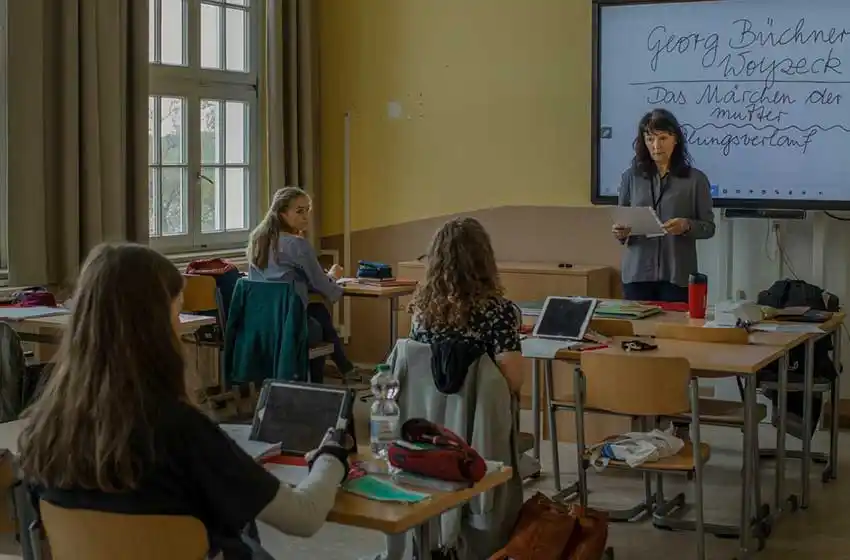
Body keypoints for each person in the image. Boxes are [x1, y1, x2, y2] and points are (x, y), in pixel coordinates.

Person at [18, 243, 350, 560]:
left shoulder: (43, 431)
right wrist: (331, 457)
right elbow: (303, 518)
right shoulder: (182, 432)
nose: (179, 329)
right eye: (176, 312)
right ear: (155, 327)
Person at [248, 186, 356, 383]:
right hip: (290, 326)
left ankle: (341, 368)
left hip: (262, 323)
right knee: (319, 323)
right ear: (282, 213)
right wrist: (332, 275)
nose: (306, 217)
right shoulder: (297, 245)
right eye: (299, 211)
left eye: (308, 210)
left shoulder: (258, 240)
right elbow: (322, 285)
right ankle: (320, 383)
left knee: (316, 312)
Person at [408, 217, 524, 394]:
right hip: (478, 415)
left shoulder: (421, 311)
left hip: (428, 413)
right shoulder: (499, 312)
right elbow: (513, 381)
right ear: (484, 260)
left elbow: (415, 366)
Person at [612, 108, 716, 302]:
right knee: (638, 331)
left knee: (673, 330)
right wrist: (620, 232)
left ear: (675, 139)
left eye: (663, 138)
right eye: (650, 139)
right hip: (637, 275)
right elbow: (622, 220)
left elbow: (709, 228)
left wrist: (687, 225)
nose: (656, 145)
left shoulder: (695, 180)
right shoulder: (631, 177)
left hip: (676, 276)